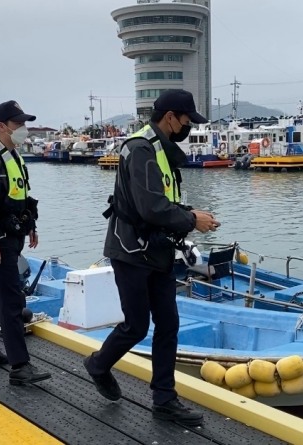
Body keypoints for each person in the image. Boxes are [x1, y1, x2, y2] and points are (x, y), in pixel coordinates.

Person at [83, 89, 220, 426]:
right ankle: (98, 364)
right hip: (130, 251)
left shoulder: (161, 149)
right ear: (170, 116)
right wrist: (192, 220)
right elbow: (151, 207)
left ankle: (164, 400)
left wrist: (190, 214)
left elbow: (164, 202)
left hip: (157, 250)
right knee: (136, 325)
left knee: (168, 324)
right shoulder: (140, 148)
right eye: (186, 119)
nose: (188, 126)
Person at [0, 100, 51, 386]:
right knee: (12, 301)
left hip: (10, 236)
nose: (23, 130)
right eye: (18, 124)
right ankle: (20, 366)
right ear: (2, 126)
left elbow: (19, 198)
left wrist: (31, 226)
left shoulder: (12, 155)